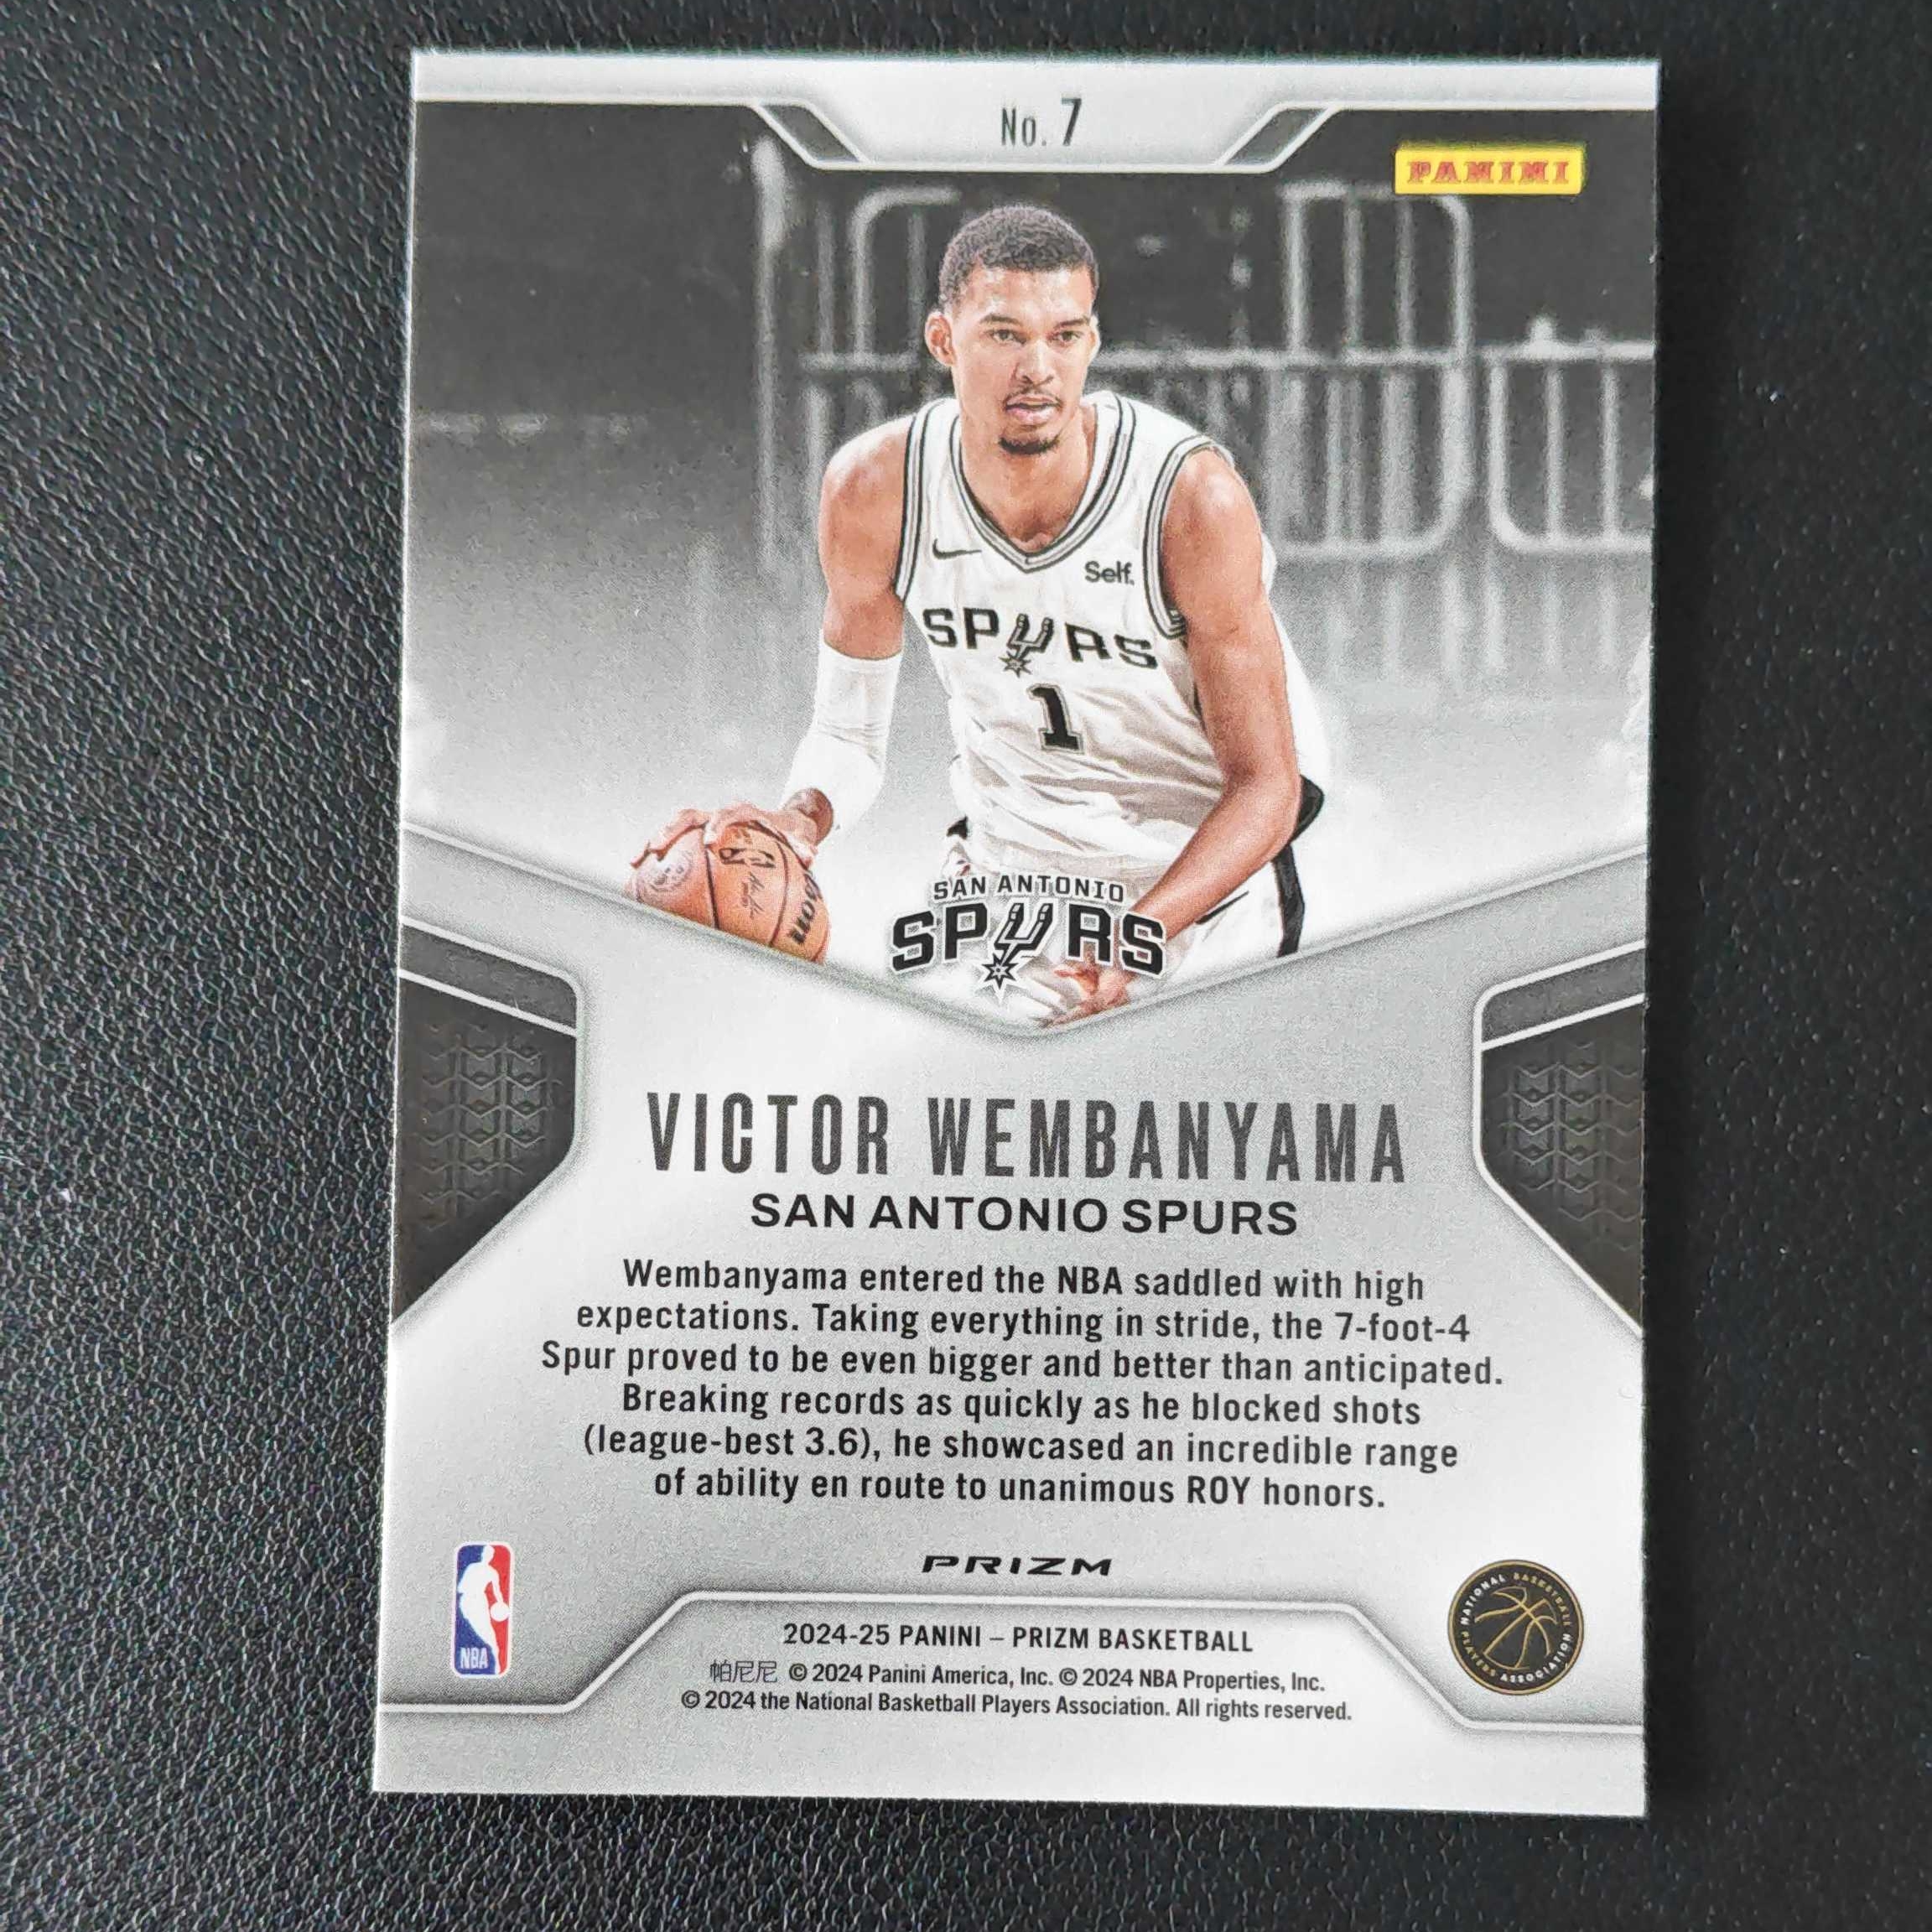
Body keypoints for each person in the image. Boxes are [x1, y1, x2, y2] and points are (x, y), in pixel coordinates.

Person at [641, 204, 1327, 1021]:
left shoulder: (1189, 500)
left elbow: (1268, 789)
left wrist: (1133, 939)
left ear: (1092, 343)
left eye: (1064, 336)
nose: (1038, 368)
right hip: (1014, 877)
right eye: (1005, 335)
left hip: (1197, 890)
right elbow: (849, 735)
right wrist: (800, 818)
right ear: (944, 341)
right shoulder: (876, 491)